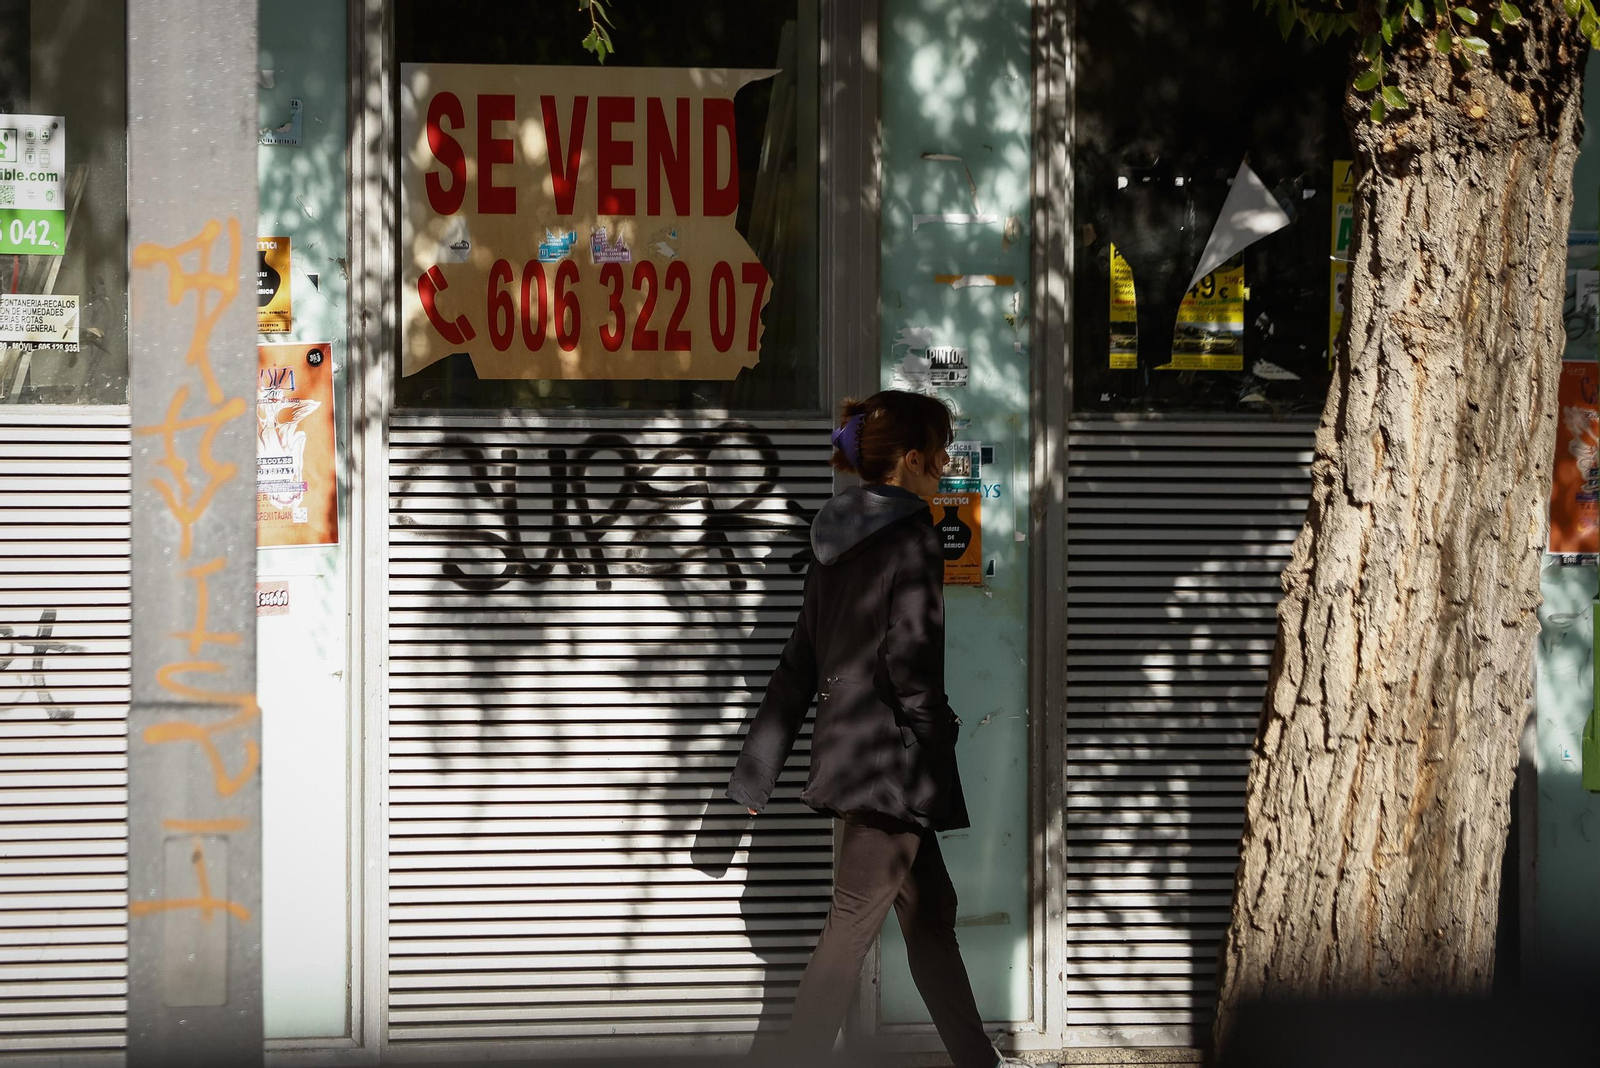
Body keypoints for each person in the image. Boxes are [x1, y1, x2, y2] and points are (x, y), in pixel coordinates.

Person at [726, 390, 1024, 1068]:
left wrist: (755, 774)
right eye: (940, 454)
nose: (947, 467)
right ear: (911, 461)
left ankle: (977, 1061)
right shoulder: (910, 533)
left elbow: (798, 664)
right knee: (853, 925)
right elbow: (910, 659)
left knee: (931, 919)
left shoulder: (834, 539)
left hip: (858, 760)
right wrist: (936, 738)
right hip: (893, 767)